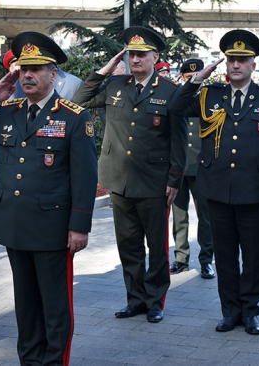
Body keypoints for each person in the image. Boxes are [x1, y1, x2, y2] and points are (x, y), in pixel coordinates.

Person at [0, 31, 97, 365]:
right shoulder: (7, 111)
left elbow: (85, 176)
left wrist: (79, 227)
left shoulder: (74, 117)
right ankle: (29, 360)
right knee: (26, 303)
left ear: (53, 74)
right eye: (23, 69)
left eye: (36, 68)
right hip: (14, 226)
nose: (28, 75)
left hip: (52, 227)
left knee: (54, 304)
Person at [170, 29, 259, 335]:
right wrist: (198, 78)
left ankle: (250, 311)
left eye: (243, 60)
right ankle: (230, 311)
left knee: (254, 257)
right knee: (224, 256)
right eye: (231, 60)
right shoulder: (210, 95)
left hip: (256, 192)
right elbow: (174, 108)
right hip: (218, 190)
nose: (236, 65)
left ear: (253, 65)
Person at [72, 26, 186, 324]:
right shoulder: (114, 85)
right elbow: (78, 101)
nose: (135, 59)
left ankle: (155, 300)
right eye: (131, 54)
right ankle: (134, 299)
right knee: (128, 245)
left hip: (154, 182)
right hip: (118, 180)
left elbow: (178, 138)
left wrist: (175, 178)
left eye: (141, 54)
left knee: (156, 247)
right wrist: (104, 70)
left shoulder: (169, 91)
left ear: (154, 57)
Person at [169, 58, 215, 279]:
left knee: (206, 217)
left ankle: (206, 259)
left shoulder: (209, 101)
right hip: (178, 168)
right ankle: (180, 259)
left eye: (196, 78)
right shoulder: (177, 97)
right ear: (182, 77)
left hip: (202, 168)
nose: (193, 81)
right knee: (179, 216)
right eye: (188, 78)